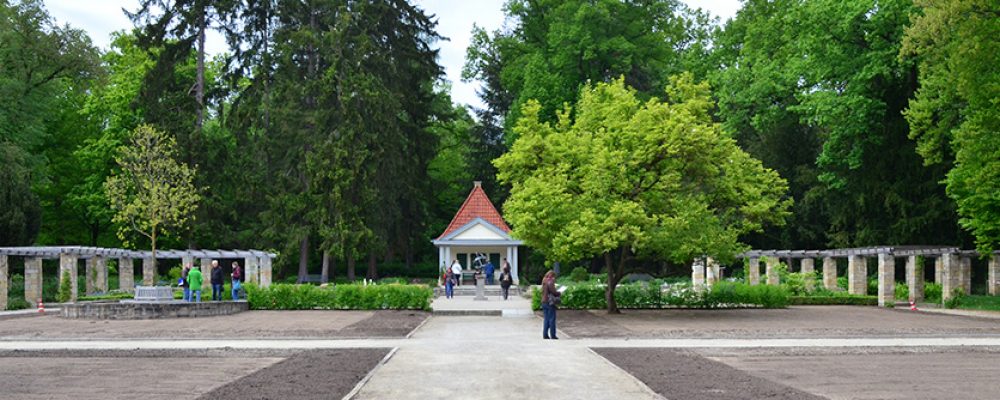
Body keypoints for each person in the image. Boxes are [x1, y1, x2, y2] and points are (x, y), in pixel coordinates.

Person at [541, 270, 560, 339]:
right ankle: (553, 335)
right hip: (550, 302)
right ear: (552, 276)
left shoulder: (544, 281)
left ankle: (545, 334)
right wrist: (559, 293)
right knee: (552, 319)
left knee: (546, 319)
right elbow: (554, 292)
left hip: (544, 301)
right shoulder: (550, 282)